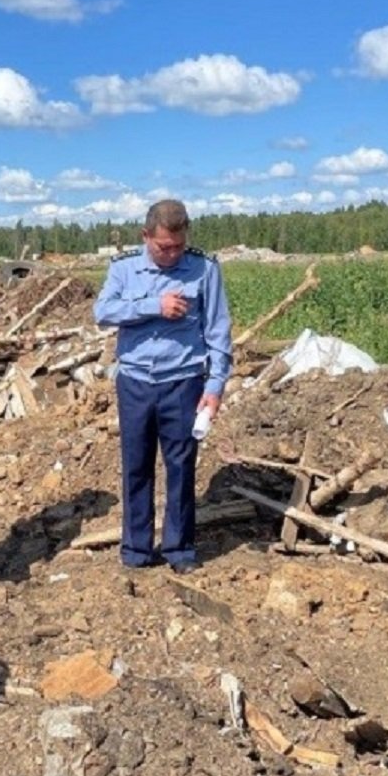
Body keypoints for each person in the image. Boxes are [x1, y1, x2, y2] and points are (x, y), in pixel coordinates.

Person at [94, 199, 232, 574]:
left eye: (178, 246)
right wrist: (154, 305)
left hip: (184, 382)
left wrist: (216, 385)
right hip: (136, 382)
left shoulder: (204, 269)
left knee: (182, 466)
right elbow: (102, 313)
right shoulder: (124, 269)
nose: (171, 254)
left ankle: (179, 549)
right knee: (136, 466)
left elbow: (218, 329)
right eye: (162, 247)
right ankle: (137, 550)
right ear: (145, 236)